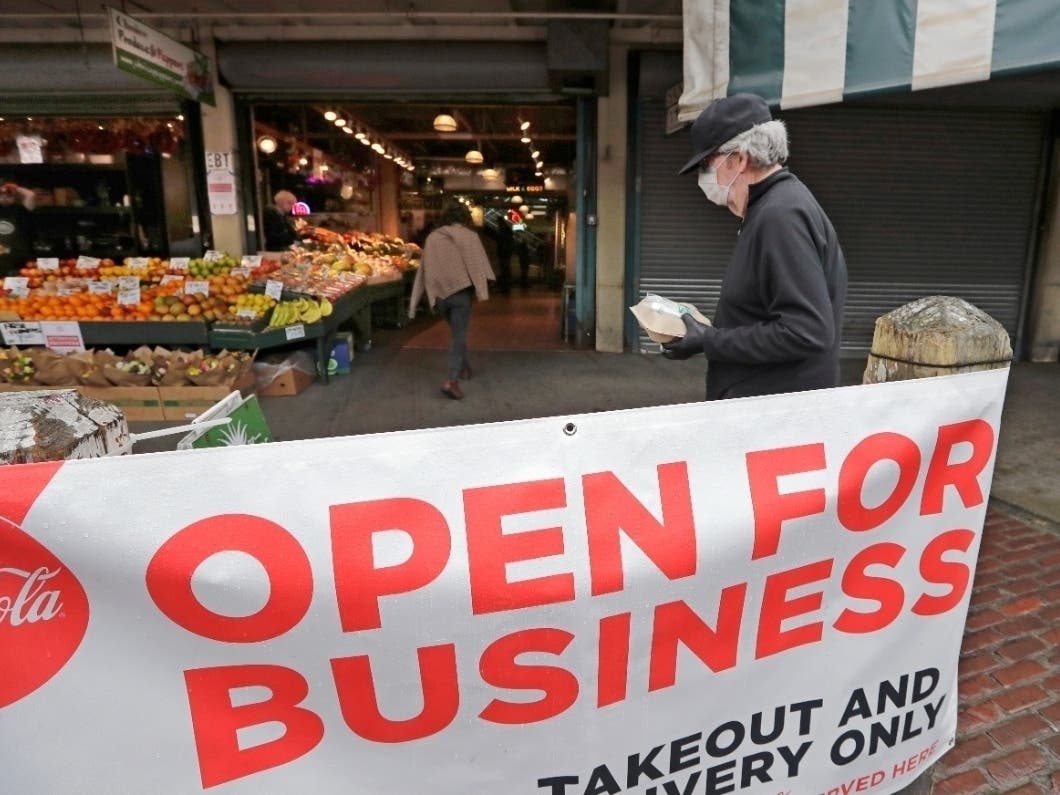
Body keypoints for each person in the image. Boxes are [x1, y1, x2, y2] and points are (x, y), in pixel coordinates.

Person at [661, 93, 847, 400]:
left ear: (739, 159)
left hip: (774, 418)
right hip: (767, 410)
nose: (703, 178)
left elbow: (807, 331)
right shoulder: (775, 207)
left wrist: (709, 340)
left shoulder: (780, 216)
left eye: (707, 164)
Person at [408, 201, 496, 400]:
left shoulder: (432, 238)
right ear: (466, 217)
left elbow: (423, 270)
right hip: (461, 296)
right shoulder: (470, 237)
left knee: (458, 333)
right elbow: (477, 266)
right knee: (459, 336)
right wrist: (482, 292)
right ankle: (452, 380)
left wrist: (414, 303)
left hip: (439, 296)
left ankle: (466, 367)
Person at [0, 182, 35, 277]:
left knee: (17, 288)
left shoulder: (21, 209)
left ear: (14, 197)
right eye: (1, 195)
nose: (4, 198)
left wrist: (15, 188)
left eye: (8, 196)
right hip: (1, 257)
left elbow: (30, 195)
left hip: (17, 256)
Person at [494, 213, 513, 294]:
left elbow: (501, 241)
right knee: (506, 270)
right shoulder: (507, 231)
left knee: (504, 270)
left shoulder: (503, 231)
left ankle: (504, 287)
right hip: (506, 253)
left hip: (503, 253)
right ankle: (506, 287)